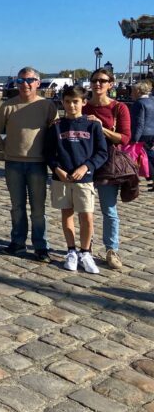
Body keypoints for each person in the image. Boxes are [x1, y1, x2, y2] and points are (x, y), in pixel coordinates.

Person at [0, 67, 58, 262]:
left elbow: (56, 134)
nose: (25, 84)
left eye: (29, 80)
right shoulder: (8, 106)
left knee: (38, 209)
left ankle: (41, 246)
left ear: (37, 83)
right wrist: (5, 147)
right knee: (17, 207)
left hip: (37, 164)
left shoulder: (47, 106)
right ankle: (17, 242)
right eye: (20, 81)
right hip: (14, 163)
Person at [44, 85, 107, 274]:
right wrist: (56, 169)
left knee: (87, 216)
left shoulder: (93, 125)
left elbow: (102, 152)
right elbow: (48, 152)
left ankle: (85, 252)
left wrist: (86, 167)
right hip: (62, 178)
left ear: (83, 102)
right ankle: (71, 250)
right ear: (62, 103)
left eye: (76, 102)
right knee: (67, 214)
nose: (72, 106)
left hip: (84, 178)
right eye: (68, 102)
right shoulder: (56, 126)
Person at [83, 68, 130, 270]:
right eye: (94, 80)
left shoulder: (118, 108)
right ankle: (86, 247)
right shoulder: (83, 107)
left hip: (107, 166)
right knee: (85, 209)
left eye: (103, 81)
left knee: (109, 210)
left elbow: (125, 138)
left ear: (111, 84)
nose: (98, 84)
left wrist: (100, 127)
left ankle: (112, 249)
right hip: (84, 163)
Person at [130, 80, 154, 189]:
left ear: (138, 91)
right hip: (152, 133)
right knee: (150, 157)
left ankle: (150, 177)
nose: (131, 94)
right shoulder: (152, 101)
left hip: (142, 134)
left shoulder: (139, 104)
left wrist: (134, 139)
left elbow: (139, 123)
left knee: (143, 159)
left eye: (133, 91)